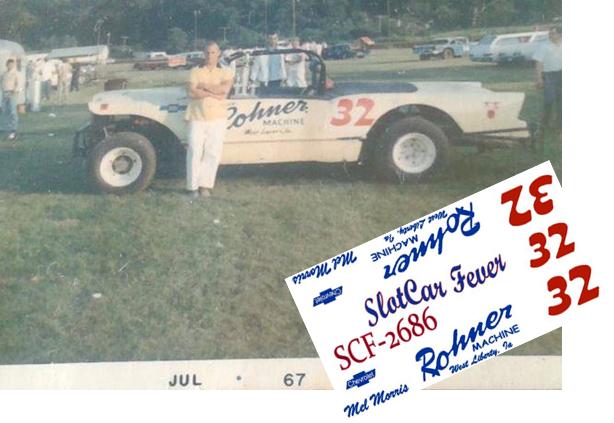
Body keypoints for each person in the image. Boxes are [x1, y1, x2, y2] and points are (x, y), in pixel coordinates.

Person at [184, 41, 234, 198]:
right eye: (207, 52)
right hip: (197, 117)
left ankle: (205, 186)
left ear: (218, 54)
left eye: (213, 52)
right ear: (203, 54)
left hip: (218, 118)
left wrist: (204, 86)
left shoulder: (226, 71)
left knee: (212, 152)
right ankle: (191, 187)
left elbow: (224, 91)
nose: (210, 56)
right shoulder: (195, 71)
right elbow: (191, 93)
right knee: (194, 151)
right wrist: (213, 92)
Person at [533, 25, 562, 151]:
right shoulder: (543, 46)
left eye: (553, 33)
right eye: (550, 34)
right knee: (549, 100)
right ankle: (544, 125)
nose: (550, 36)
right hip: (549, 75)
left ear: (560, 35)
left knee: (562, 102)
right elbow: (539, 63)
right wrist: (539, 78)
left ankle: (560, 126)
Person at [1, 59, 21, 141]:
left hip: (12, 93)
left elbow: (19, 84)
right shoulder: (4, 74)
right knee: (5, 111)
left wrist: (15, 91)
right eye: (9, 64)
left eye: (12, 64)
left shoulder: (16, 73)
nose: (10, 66)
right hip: (5, 93)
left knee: (13, 112)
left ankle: (14, 129)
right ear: (7, 65)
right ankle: (6, 128)